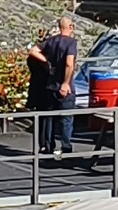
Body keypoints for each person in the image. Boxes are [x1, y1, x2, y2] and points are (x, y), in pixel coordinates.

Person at [31, 16, 81, 154]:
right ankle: (66, 146)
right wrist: (65, 83)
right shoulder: (71, 43)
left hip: (51, 84)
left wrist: (47, 61)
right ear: (70, 27)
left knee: (49, 116)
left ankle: (48, 145)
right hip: (65, 84)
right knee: (66, 118)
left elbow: (33, 50)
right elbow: (69, 63)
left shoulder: (51, 41)